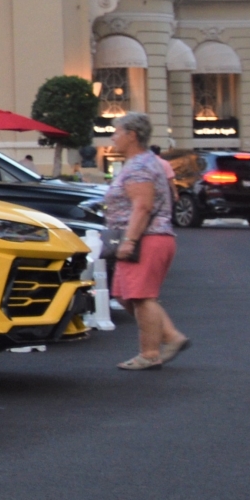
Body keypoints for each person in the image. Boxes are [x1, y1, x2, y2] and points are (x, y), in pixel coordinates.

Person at [104, 110, 188, 369]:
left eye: (117, 132)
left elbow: (142, 206)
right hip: (146, 237)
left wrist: (129, 241)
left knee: (141, 296)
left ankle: (150, 353)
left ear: (132, 135)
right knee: (124, 295)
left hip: (146, 239)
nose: (113, 137)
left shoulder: (140, 166)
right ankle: (171, 337)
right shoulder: (139, 163)